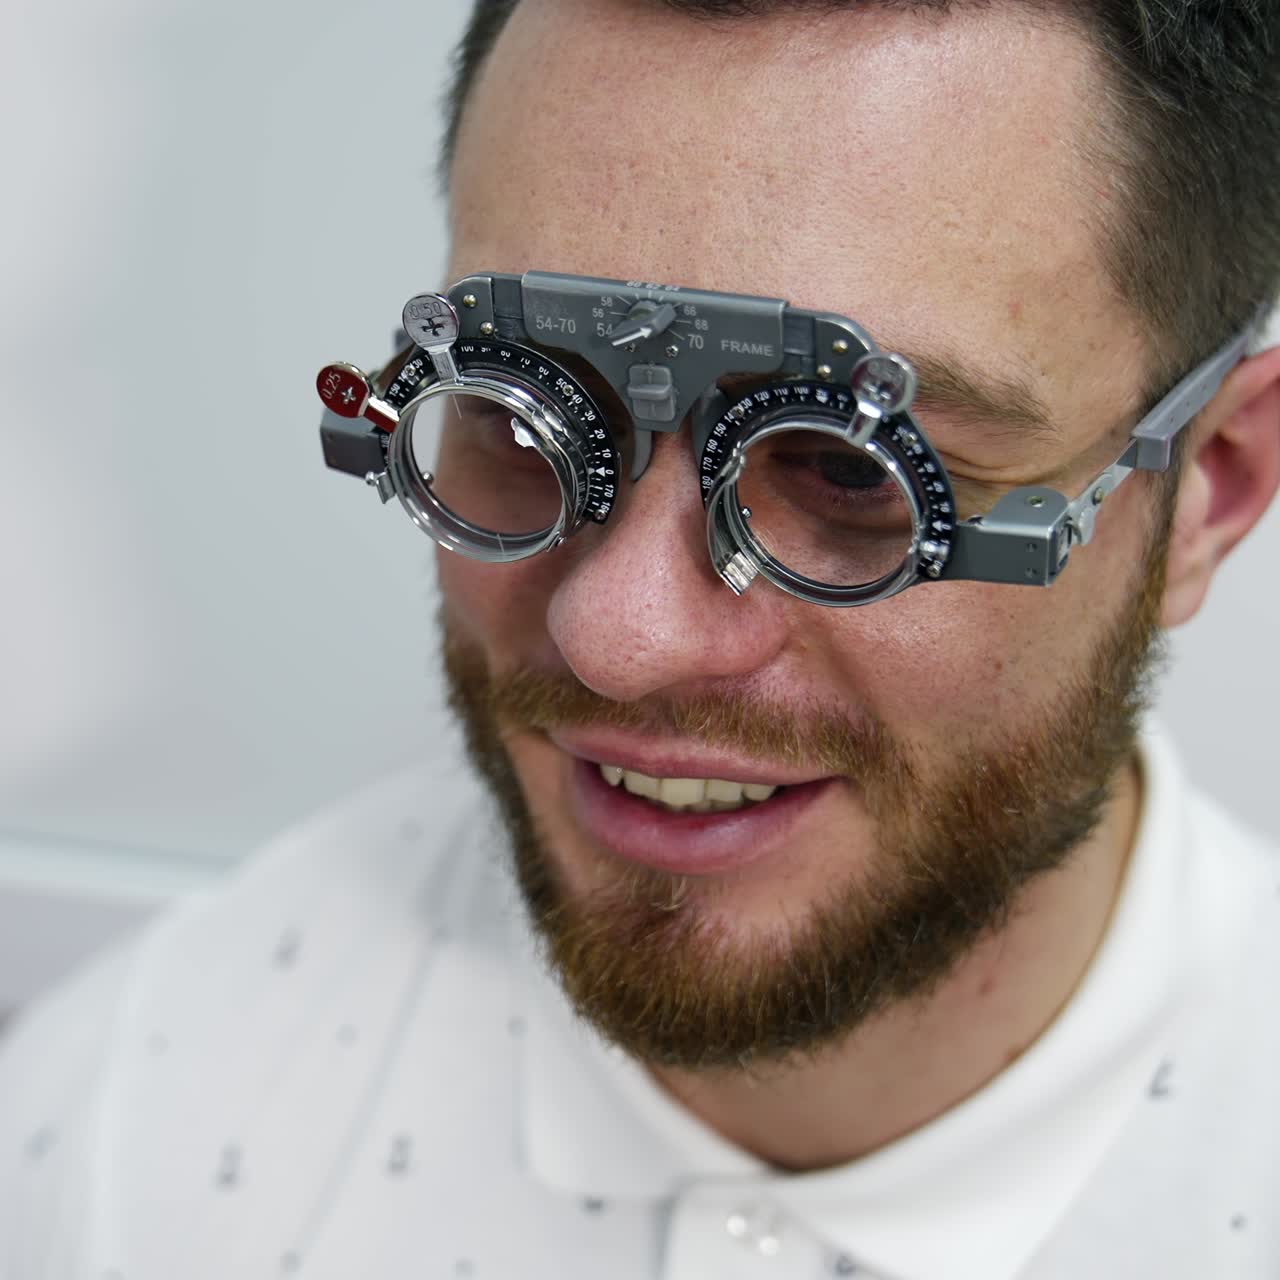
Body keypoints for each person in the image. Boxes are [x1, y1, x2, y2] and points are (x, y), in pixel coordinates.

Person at [3, 1, 1280, 1276]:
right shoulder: (130, 1137)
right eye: (520, 417)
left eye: (844, 468)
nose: (616, 635)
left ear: (1206, 489)